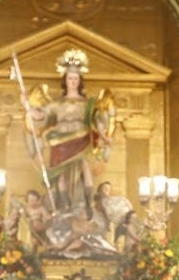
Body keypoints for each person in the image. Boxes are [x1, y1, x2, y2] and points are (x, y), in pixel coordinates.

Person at [25, 48, 114, 214]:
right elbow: (40, 116)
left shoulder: (88, 104)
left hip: (81, 141)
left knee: (86, 171)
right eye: (70, 78)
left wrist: (104, 137)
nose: (72, 81)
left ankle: (88, 204)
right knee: (62, 176)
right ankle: (64, 206)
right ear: (65, 80)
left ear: (80, 81)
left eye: (75, 78)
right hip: (60, 142)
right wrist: (27, 106)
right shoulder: (57, 104)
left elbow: (98, 122)